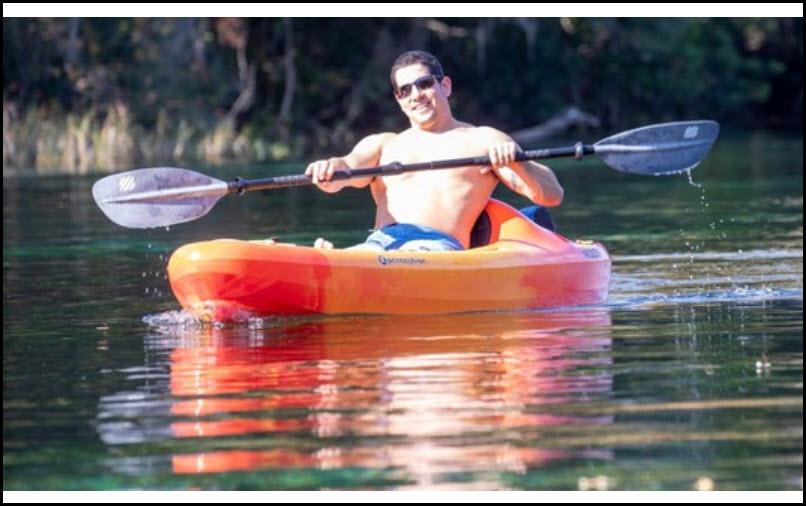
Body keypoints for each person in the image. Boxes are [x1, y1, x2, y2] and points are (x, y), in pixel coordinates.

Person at [305, 50, 564, 251]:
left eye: (424, 83)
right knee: (368, 252)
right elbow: (348, 168)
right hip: (379, 245)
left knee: (391, 256)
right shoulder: (383, 144)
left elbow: (551, 196)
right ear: (399, 100)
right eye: (405, 90)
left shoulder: (485, 141)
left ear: (446, 86)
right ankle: (333, 263)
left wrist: (521, 163)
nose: (415, 95)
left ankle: (345, 264)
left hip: (437, 248)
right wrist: (330, 169)